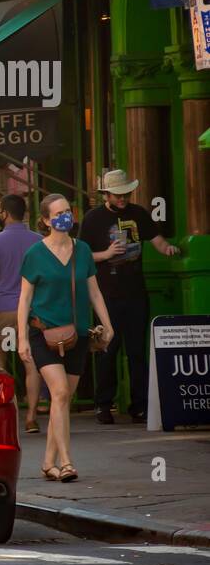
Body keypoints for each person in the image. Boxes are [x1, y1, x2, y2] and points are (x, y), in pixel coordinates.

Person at [17, 194, 114, 483]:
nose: (65, 217)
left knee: (63, 400)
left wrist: (107, 325)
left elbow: (94, 291)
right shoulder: (35, 253)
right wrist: (22, 338)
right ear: (46, 220)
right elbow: (24, 299)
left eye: (68, 211)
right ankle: (67, 462)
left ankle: (48, 462)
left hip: (78, 333)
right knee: (59, 393)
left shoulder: (82, 250)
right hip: (43, 332)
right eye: (58, 213)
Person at [79, 169, 181, 425]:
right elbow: (81, 255)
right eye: (118, 194)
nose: (123, 198)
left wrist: (167, 248)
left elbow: (157, 240)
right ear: (107, 194)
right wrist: (106, 253)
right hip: (106, 296)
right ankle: (104, 405)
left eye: (126, 193)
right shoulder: (93, 219)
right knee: (107, 350)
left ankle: (140, 406)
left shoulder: (139, 214)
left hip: (136, 293)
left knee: (137, 351)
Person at [0, 194, 45, 432]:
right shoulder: (38, 240)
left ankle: (6, 416)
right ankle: (31, 417)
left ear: (4, 213)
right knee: (31, 364)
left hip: (4, 309)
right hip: (32, 311)